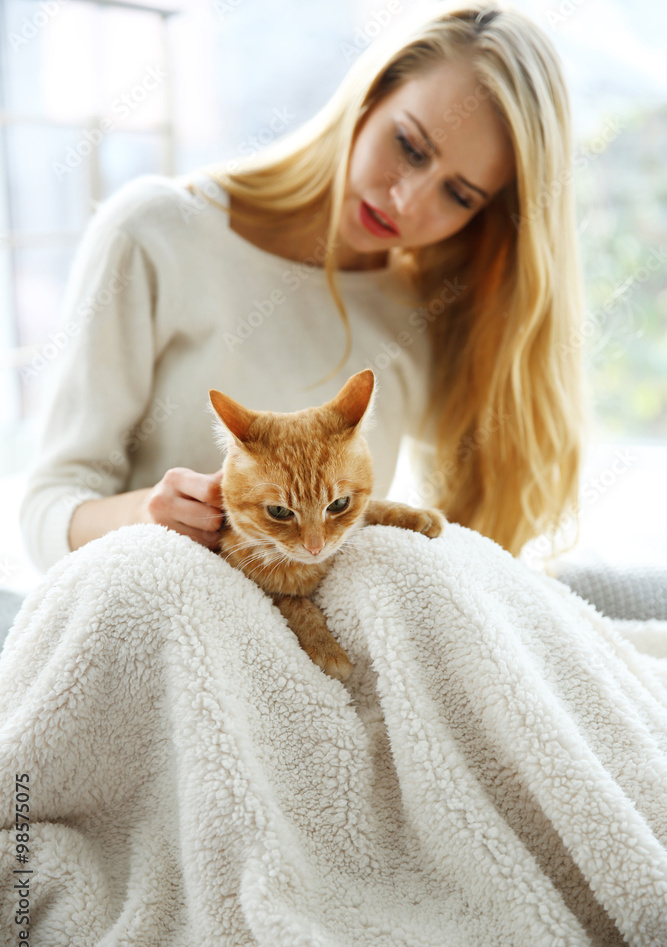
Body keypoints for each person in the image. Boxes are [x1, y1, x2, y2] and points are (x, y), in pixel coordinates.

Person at [20, 1, 585, 574]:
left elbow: (469, 545)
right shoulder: (155, 233)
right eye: (410, 148)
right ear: (369, 97)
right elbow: (47, 510)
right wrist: (147, 514)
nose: (407, 200)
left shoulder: (430, 307)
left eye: (458, 195)